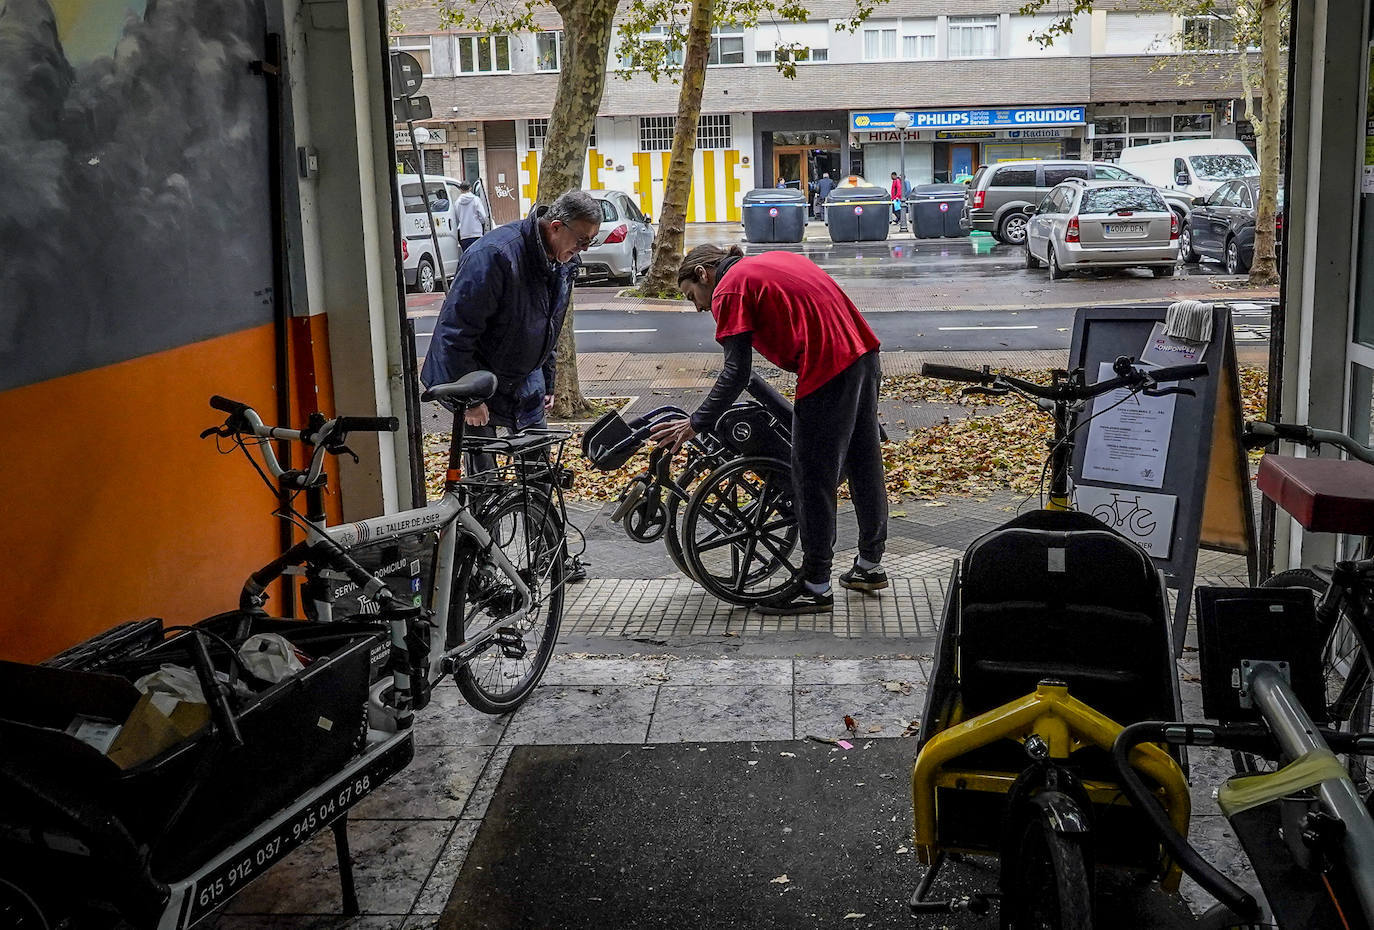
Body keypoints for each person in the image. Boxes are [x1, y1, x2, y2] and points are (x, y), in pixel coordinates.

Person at [651, 245, 888, 615]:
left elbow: (736, 371)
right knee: (864, 463)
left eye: (691, 296)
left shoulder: (731, 287)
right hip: (863, 355)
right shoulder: (766, 263)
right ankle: (869, 566)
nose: (697, 307)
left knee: (811, 478)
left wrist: (697, 422)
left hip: (828, 367)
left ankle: (816, 585)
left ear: (703, 273)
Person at [454, 181, 490, 253]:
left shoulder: (457, 202)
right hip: (476, 233)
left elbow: (457, 218)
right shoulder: (475, 199)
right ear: (470, 188)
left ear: (460, 190)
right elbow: (483, 216)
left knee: (467, 255)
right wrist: (481, 222)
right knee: (477, 255)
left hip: (464, 234)